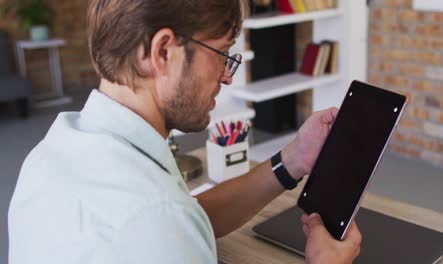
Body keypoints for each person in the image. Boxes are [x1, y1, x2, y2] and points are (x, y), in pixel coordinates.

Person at [8, 0, 361, 263]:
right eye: (222, 54)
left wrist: (293, 159)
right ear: (163, 52)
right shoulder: (156, 221)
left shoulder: (50, 154)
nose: (227, 76)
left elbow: (191, 216)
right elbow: (169, 220)